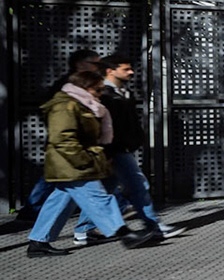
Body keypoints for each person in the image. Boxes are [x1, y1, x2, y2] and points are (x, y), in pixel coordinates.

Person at [26, 68, 162, 256]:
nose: (101, 93)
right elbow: (63, 139)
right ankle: (124, 234)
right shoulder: (66, 106)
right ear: (84, 87)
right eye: (98, 89)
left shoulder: (82, 104)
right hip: (72, 163)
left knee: (61, 200)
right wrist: (84, 160)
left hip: (73, 162)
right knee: (99, 198)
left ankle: (38, 242)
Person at [7, 49, 104, 227]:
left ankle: (36, 225)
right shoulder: (69, 87)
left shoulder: (80, 84)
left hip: (74, 142)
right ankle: (117, 227)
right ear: (79, 64)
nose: (98, 67)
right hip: (69, 142)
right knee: (57, 179)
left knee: (62, 185)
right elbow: (60, 119)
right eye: (94, 63)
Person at [96, 55, 181, 241]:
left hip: (120, 147)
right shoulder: (104, 95)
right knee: (138, 185)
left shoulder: (122, 92)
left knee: (106, 190)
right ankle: (153, 225)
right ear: (110, 70)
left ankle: (84, 230)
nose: (131, 72)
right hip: (115, 148)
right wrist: (108, 151)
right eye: (126, 69)